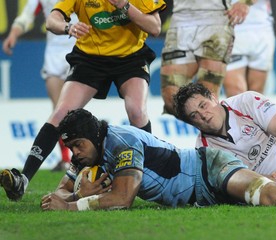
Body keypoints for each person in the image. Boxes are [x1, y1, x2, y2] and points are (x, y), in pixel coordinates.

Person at [40, 108, 276, 211]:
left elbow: (122, 198)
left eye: (77, 147)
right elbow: (64, 188)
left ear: (91, 137)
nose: (74, 155)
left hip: (208, 170)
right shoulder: (92, 153)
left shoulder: (121, 141)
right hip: (203, 194)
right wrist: (69, 194)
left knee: (275, 195)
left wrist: (74, 205)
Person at [0, 0, 166, 201]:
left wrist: (124, 4)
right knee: (60, 113)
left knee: (137, 111)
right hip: (90, 58)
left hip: (130, 57)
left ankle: (147, 177)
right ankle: (23, 180)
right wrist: (68, 27)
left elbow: (155, 27)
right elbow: (52, 21)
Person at [2, 0, 78, 171]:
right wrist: (13, 34)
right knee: (58, 109)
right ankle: (66, 159)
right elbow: (26, 16)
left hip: (80, 49)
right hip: (54, 55)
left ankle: (80, 157)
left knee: (74, 111)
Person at [160, 0, 253, 115]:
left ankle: (212, 131)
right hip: (180, 19)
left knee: (207, 97)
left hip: (216, 19)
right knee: (171, 99)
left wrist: (245, 2)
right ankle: (209, 128)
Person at [223, 0, 275, 97]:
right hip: (230, 27)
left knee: (256, 95)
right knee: (235, 93)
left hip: (261, 28)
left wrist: (246, 2)